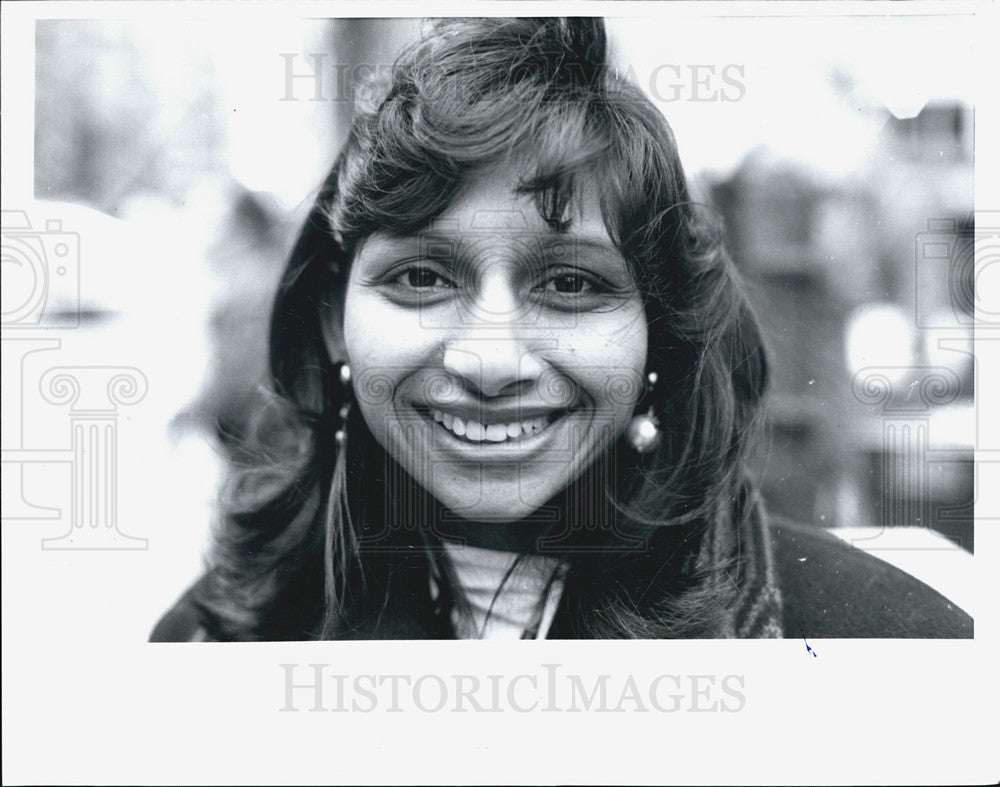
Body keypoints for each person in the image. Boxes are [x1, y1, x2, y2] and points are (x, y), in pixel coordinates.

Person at [152, 17, 971, 641]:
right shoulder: (217, 647)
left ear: (660, 329)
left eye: (572, 283)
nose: (490, 359)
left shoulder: (885, 649)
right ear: (334, 320)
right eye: (422, 278)